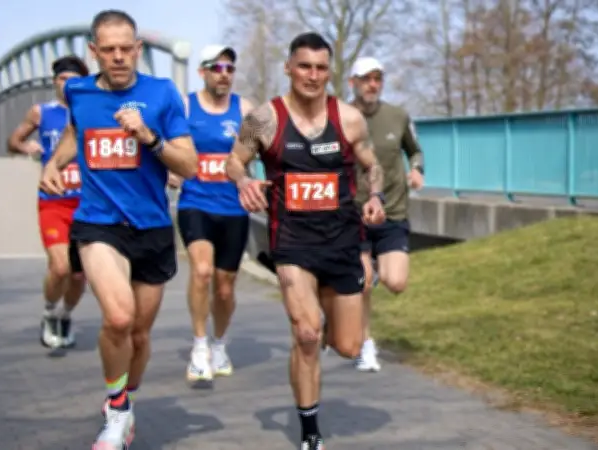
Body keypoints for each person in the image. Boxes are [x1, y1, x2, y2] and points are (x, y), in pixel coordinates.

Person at [38, 9, 197, 450]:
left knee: (140, 336)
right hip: (98, 222)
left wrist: (149, 137)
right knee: (119, 316)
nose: (119, 57)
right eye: (108, 50)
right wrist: (55, 161)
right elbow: (75, 131)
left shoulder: (163, 94)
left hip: (151, 227)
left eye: (127, 48)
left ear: (138, 49)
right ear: (94, 52)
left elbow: (190, 164)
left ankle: (123, 401)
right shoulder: (79, 91)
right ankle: (117, 408)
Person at [225, 32, 386, 450]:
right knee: (307, 334)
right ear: (288, 68)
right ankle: (310, 433)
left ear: (328, 72)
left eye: (320, 68)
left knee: (348, 347)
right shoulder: (265, 118)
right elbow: (233, 161)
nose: (312, 76)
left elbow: (373, 165)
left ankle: (328, 324)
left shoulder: (349, 118)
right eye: (304, 66)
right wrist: (243, 182)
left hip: (342, 240)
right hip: (292, 242)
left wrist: (376, 197)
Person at [167, 44, 254, 384]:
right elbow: (162, 146)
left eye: (230, 68)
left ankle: (219, 343)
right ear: (202, 72)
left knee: (225, 288)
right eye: (217, 67)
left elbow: (255, 153)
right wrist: (170, 169)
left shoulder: (246, 110)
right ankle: (200, 346)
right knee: (201, 271)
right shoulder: (184, 106)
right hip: (195, 203)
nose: (224, 74)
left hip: (233, 208)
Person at [7, 55, 90, 348]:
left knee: (80, 277)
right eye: (62, 79)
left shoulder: (93, 112)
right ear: (55, 82)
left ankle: (65, 315)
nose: (68, 84)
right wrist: (22, 145)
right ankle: (49, 312)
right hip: (54, 201)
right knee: (60, 267)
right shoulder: (41, 113)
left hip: (87, 205)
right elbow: (12, 141)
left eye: (74, 80)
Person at [348, 57, 424, 372]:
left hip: (392, 210)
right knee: (363, 284)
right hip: (354, 214)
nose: (373, 84)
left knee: (396, 282)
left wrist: (417, 169)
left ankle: (374, 271)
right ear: (353, 82)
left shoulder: (398, 116)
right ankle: (367, 347)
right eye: (366, 79)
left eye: (377, 78)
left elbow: (415, 150)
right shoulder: (342, 117)